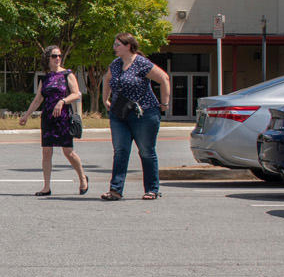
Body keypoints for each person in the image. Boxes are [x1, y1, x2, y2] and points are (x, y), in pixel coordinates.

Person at [100, 33, 171, 201]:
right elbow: (107, 80)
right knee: (120, 151)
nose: (114, 47)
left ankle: (152, 189)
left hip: (144, 113)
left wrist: (164, 104)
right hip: (119, 114)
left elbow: (164, 78)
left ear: (128, 46)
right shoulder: (115, 64)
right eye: (114, 44)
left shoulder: (141, 63)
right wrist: (105, 99)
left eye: (117, 44)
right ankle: (115, 190)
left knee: (146, 151)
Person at [19, 45, 89, 196]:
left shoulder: (67, 74)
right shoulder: (45, 78)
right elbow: (38, 99)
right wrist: (26, 115)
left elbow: (77, 94)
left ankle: (82, 177)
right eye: (54, 56)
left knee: (68, 152)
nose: (58, 58)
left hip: (63, 117)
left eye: (59, 56)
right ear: (48, 59)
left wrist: (62, 101)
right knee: (46, 152)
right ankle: (46, 187)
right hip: (48, 118)